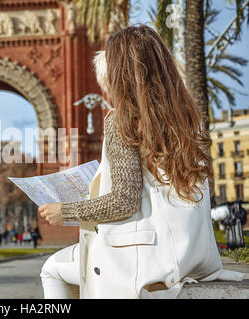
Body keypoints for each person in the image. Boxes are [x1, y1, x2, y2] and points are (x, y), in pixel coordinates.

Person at [38, 25, 244, 299]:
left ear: (118, 72)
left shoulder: (121, 120)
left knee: (52, 269)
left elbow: (124, 201)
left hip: (144, 260)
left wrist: (63, 211)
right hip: (193, 257)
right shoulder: (189, 119)